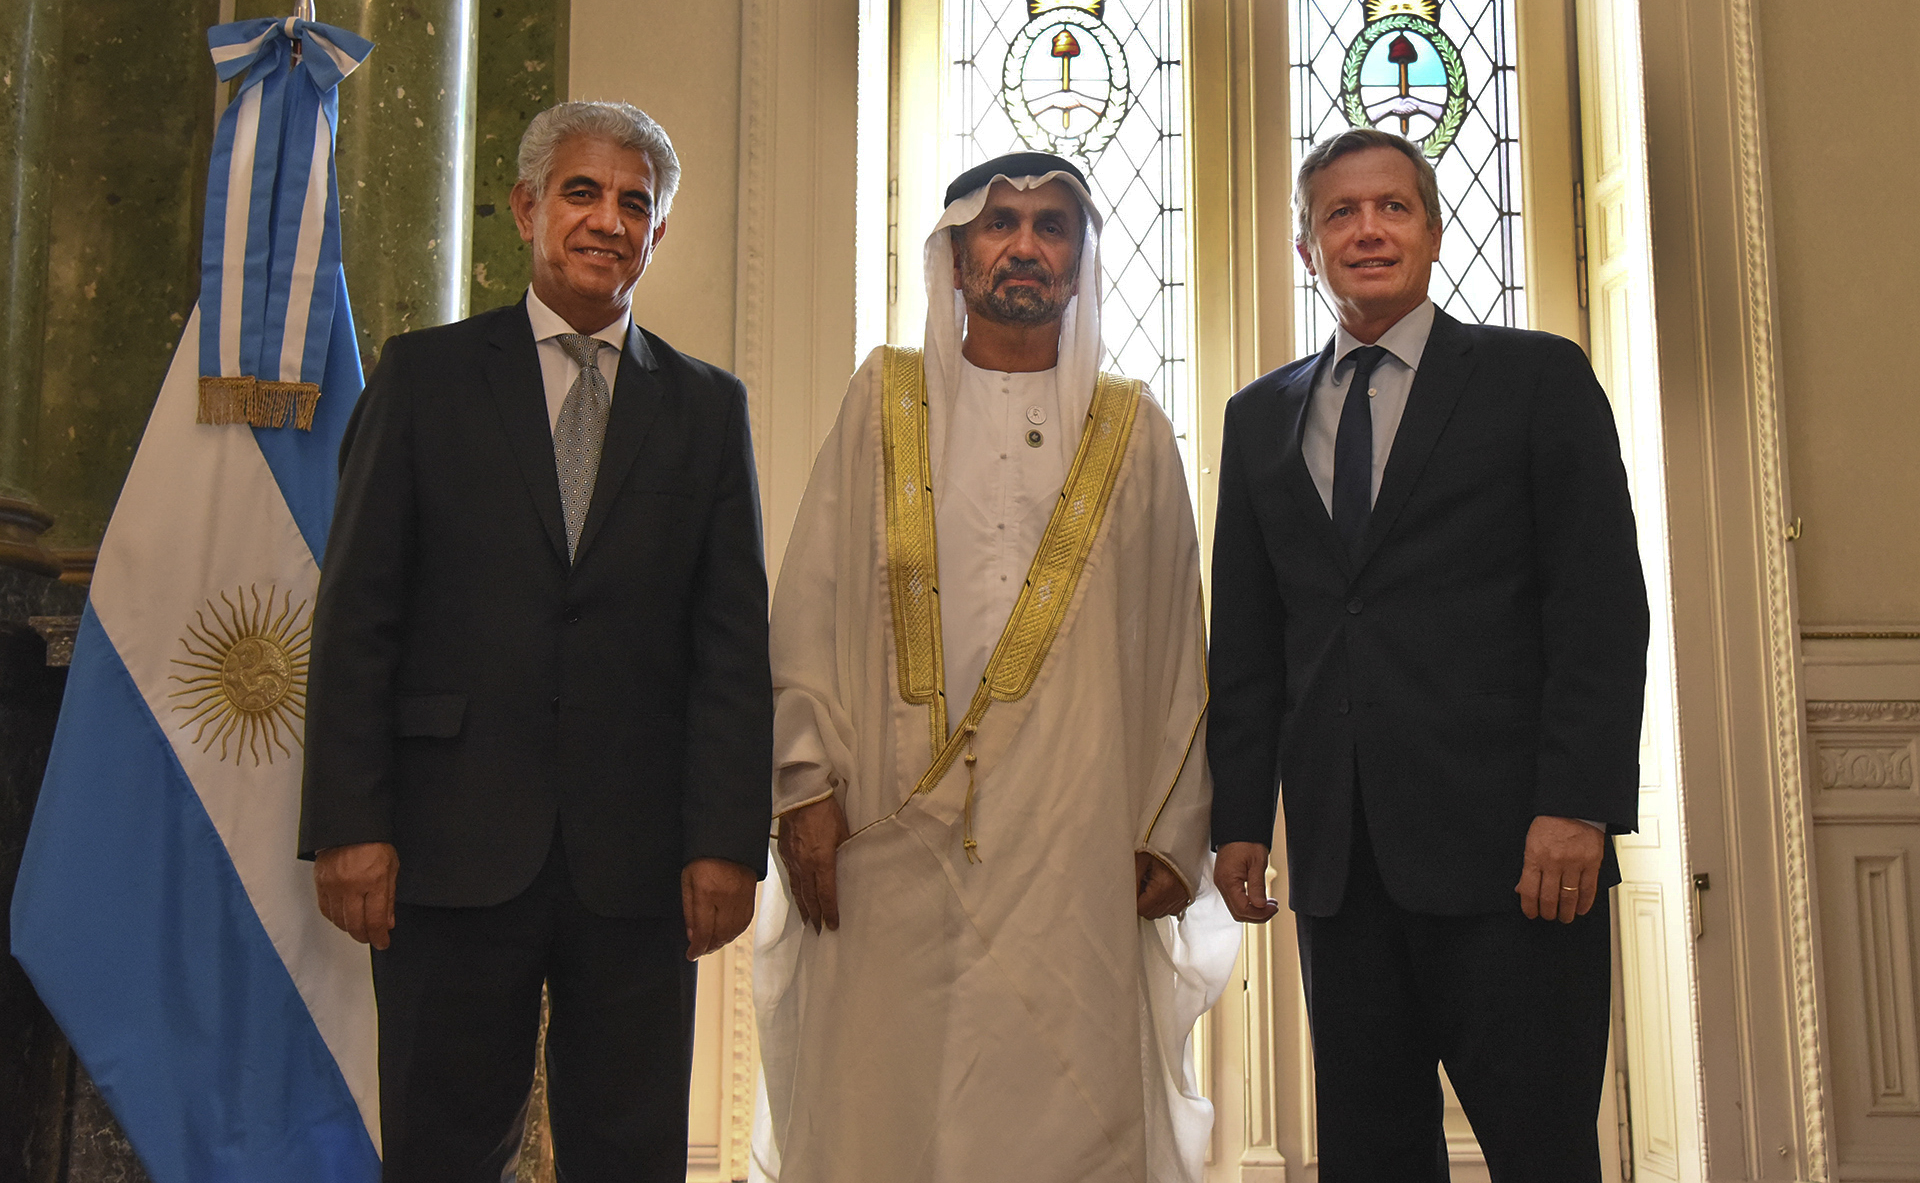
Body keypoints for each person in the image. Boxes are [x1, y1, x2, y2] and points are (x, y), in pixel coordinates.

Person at [299, 100, 773, 1181]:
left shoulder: (708, 409)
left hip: (642, 860)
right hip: (446, 845)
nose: (608, 220)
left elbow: (731, 645)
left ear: (659, 234)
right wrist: (348, 821)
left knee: (630, 1149)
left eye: (634, 203)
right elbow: (359, 614)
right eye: (582, 191)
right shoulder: (421, 378)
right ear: (525, 208)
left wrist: (725, 840)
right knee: (444, 1146)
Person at [752, 152, 1239, 1183]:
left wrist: (1171, 828)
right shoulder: (880, 401)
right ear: (958, 256)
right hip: (885, 833)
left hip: (1076, 841)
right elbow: (808, 608)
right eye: (1000, 224)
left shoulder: (1133, 430)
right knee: (885, 1102)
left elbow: (1175, 647)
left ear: (1077, 259)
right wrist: (803, 790)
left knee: (1062, 1105)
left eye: (1052, 225)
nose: (1025, 245)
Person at [1207, 126, 1649, 1181]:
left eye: (1392, 207)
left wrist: (1578, 804)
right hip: (1341, 866)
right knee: (1372, 1155)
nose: (1367, 229)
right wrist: (1237, 822)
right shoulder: (1259, 418)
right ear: (1305, 248)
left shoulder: (1536, 379)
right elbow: (1251, 642)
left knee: (1541, 1149)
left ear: (1436, 232)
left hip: (1518, 858)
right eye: (1340, 214)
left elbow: (1598, 606)